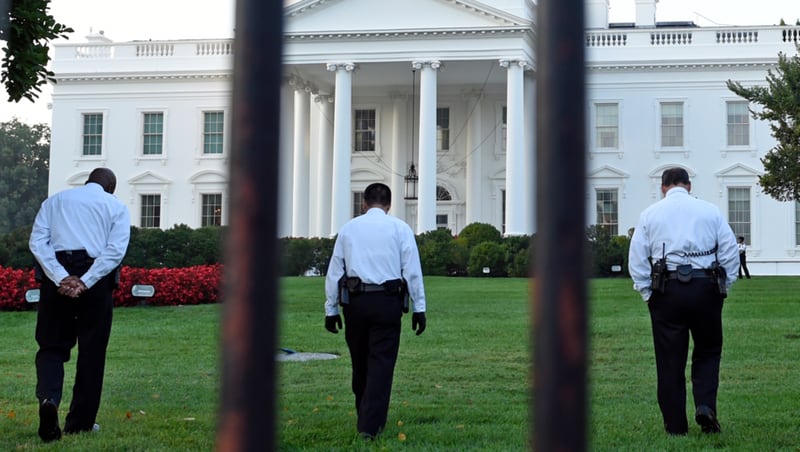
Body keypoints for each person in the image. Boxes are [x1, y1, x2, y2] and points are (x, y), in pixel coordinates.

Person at [628, 167, 738, 435]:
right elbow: (729, 251)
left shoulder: (650, 214)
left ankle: (675, 425)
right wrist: (724, 286)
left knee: (669, 360)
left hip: (667, 289)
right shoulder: (710, 211)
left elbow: (638, 259)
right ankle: (705, 406)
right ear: (689, 186)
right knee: (709, 350)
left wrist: (647, 293)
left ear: (663, 187)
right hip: (706, 287)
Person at [29, 168, 131, 442]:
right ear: (110, 186)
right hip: (95, 279)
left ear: (88, 181)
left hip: (57, 277)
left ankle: (48, 400)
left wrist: (62, 277)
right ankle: (80, 423)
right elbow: (114, 251)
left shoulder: (54, 202)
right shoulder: (116, 206)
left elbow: (37, 243)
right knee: (92, 351)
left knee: (51, 345)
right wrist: (85, 281)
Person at [324, 182, 427, 440]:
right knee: (381, 363)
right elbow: (412, 271)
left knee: (360, 363)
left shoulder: (348, 229)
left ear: (364, 203)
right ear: (389, 204)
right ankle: (370, 424)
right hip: (387, 302)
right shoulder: (400, 229)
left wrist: (331, 310)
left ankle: (366, 416)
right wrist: (419, 308)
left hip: (356, 303)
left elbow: (335, 272)